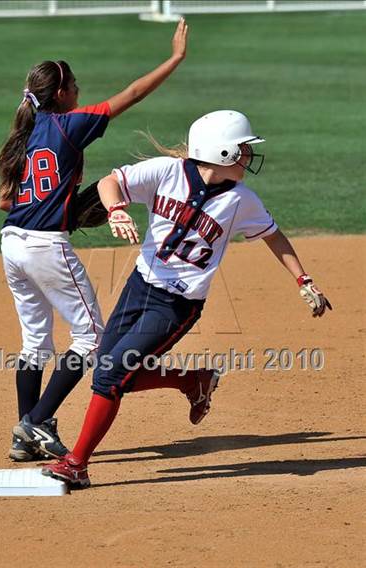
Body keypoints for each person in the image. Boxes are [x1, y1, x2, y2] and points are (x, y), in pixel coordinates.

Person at [41, 109, 332, 487]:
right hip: (139, 287)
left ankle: (76, 464)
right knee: (113, 373)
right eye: (243, 148)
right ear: (222, 153)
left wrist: (303, 279)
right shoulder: (166, 172)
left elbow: (273, 236)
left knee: (111, 374)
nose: (248, 156)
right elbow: (110, 182)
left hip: (177, 305)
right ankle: (193, 381)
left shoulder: (241, 200)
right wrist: (116, 210)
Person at [0, 18, 188, 462]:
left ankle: (26, 439)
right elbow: (133, 95)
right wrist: (175, 59)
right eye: (74, 85)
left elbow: (7, 201)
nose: (79, 90)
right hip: (46, 247)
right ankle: (35, 422)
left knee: (35, 343)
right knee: (92, 339)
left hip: (12, 245)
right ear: (60, 95)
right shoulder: (69, 124)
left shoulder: (20, 137)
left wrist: (62, 204)